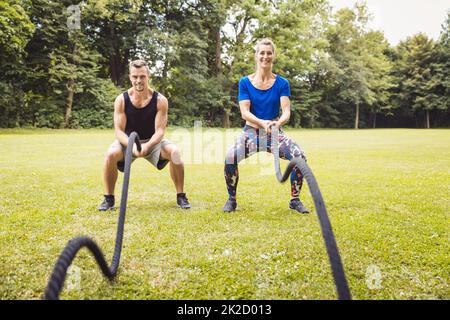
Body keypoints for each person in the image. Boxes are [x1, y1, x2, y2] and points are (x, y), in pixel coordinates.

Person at [222, 38, 309, 214]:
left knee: (300, 157)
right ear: (256, 56)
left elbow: (286, 111)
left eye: (269, 53)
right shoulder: (245, 82)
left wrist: (278, 122)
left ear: (273, 56)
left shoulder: (282, 83)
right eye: (262, 52)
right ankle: (231, 200)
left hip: (274, 133)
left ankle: (295, 200)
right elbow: (244, 112)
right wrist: (262, 122)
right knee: (230, 157)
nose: (265, 56)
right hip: (251, 132)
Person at [98, 59, 191, 211]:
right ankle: (108, 199)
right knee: (110, 154)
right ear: (130, 77)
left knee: (175, 153)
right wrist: (132, 146)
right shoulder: (121, 100)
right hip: (128, 142)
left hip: (152, 141)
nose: (138, 80)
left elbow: (160, 131)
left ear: (149, 76)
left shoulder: (160, 100)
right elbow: (119, 132)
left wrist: (147, 146)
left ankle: (181, 196)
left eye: (142, 76)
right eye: (135, 77)